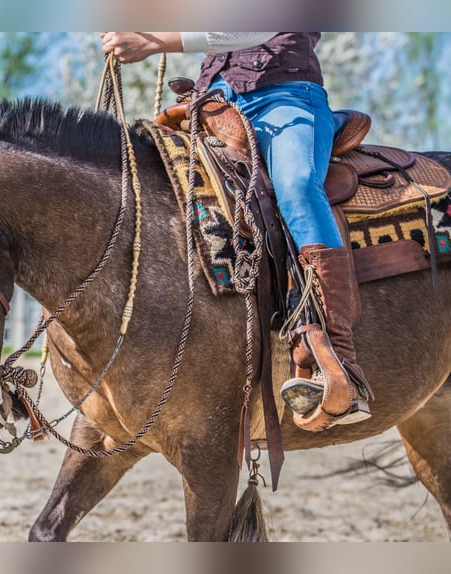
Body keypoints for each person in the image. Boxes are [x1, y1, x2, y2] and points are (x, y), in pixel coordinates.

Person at [100, 32, 372, 430]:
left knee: (296, 186)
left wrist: (156, 42)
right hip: (210, 105)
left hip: (286, 98)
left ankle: (339, 358)